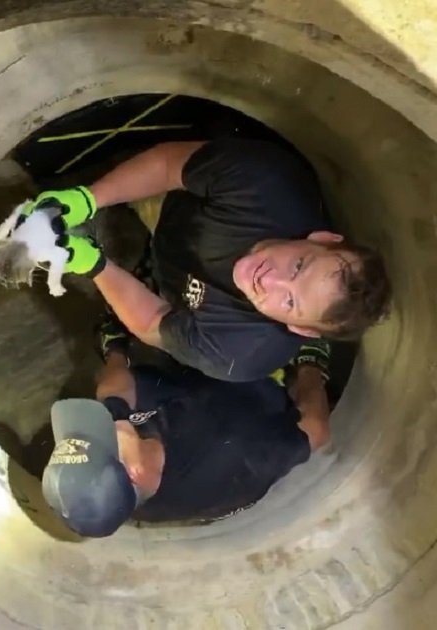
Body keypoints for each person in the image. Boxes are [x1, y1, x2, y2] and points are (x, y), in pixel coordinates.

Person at [19, 138, 391, 382]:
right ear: (322, 238)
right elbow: (167, 166)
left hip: (174, 288)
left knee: (148, 293)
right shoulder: (265, 181)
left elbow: (153, 322)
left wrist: (93, 265)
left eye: (290, 302)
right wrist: (89, 198)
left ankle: (142, 265)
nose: (270, 280)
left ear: (302, 331)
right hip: (174, 204)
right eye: (298, 266)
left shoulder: (241, 354)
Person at [40, 327, 332, 537]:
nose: (99, 424)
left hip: (184, 403)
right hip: (246, 403)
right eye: (101, 437)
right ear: (134, 472)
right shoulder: (239, 456)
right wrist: (310, 366)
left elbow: (112, 395)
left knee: (127, 393)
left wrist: (116, 350)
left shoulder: (122, 488)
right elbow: (315, 430)